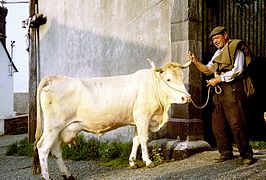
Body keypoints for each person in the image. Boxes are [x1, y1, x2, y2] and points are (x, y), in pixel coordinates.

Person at [187, 26, 254, 165]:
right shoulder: (217, 54)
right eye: (213, 40)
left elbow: (238, 70)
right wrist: (195, 61)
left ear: (225, 35)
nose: (215, 41)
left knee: (236, 123)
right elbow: (208, 70)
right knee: (217, 123)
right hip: (218, 91)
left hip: (232, 88)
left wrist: (219, 79)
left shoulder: (236, 48)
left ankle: (246, 153)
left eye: (217, 38)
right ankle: (225, 152)